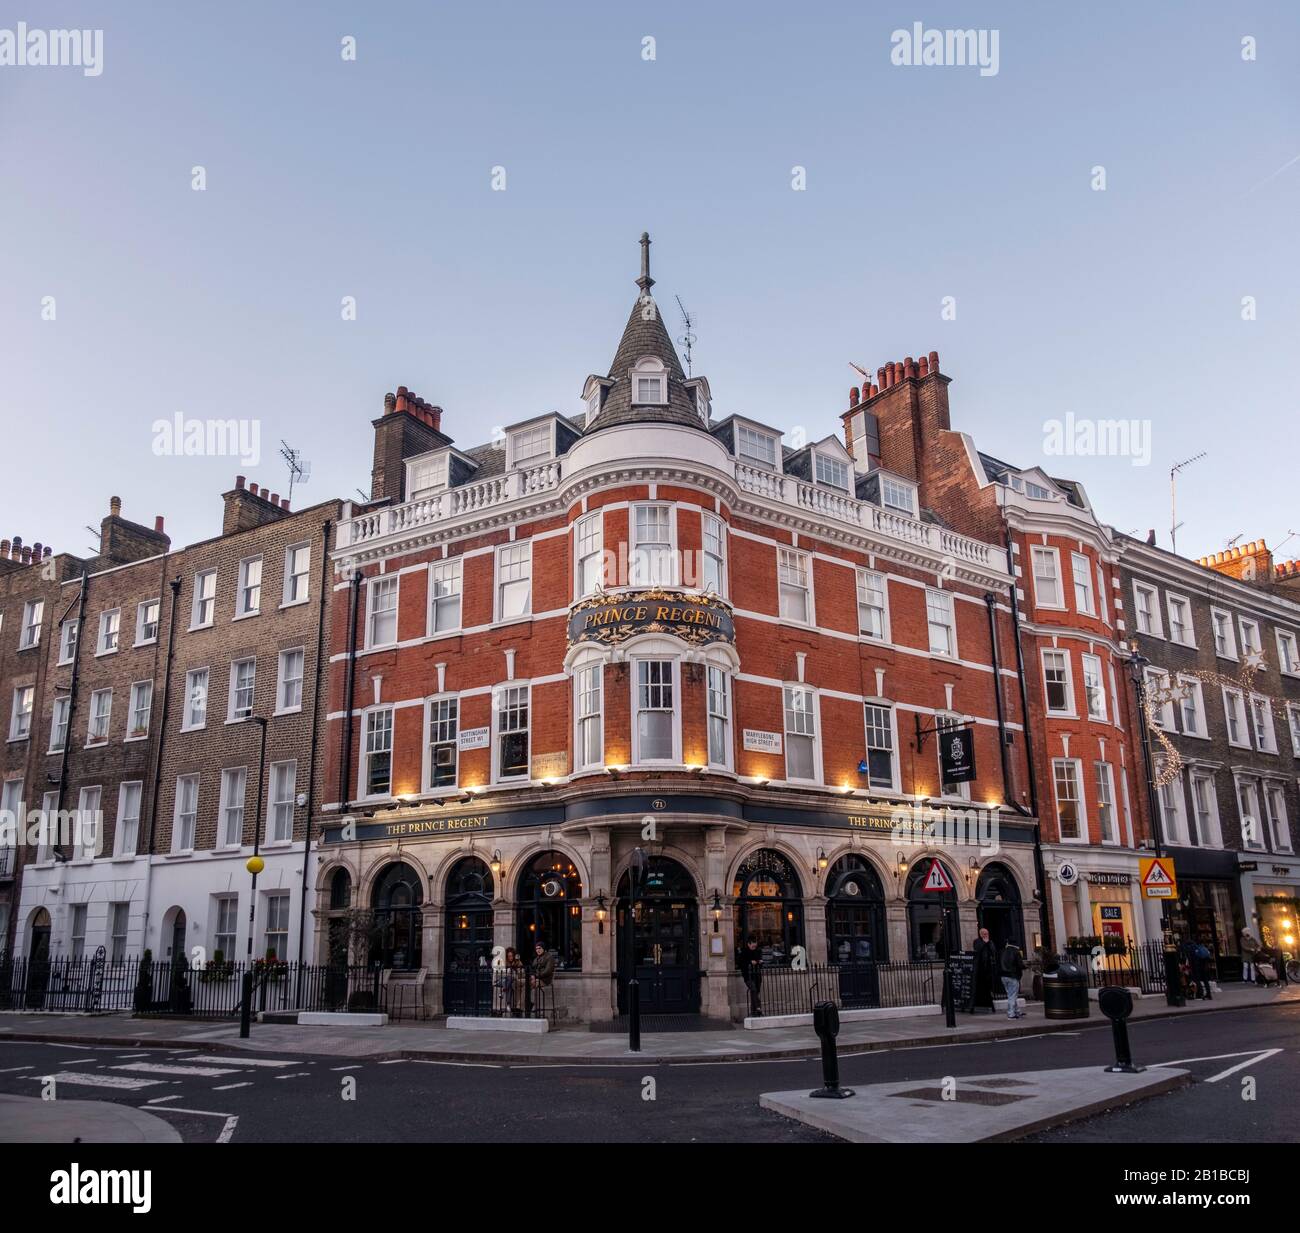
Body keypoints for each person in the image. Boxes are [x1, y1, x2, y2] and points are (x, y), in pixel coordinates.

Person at [972, 927, 998, 1013]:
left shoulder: (990, 942)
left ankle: (990, 1001)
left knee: (989, 984)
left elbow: (993, 951)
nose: (986, 935)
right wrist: (984, 943)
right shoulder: (977, 941)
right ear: (981, 934)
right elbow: (977, 950)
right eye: (984, 934)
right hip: (980, 967)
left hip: (989, 966)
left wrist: (989, 943)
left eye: (987, 934)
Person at [738, 936, 764, 1016]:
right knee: (753, 990)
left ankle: (754, 1013)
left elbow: (761, 964)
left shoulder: (758, 951)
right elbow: (740, 964)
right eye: (753, 946)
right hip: (748, 976)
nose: (754, 947)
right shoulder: (744, 952)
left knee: (755, 993)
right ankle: (758, 1008)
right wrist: (750, 962)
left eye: (755, 946)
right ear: (748, 944)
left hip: (757, 975)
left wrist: (760, 962)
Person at [1000, 941, 1026, 1019]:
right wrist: (1024, 967)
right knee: (1012, 995)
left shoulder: (1002, 951)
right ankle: (1011, 1014)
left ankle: (1017, 1011)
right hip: (1013, 976)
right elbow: (1020, 964)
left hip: (1003, 976)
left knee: (1011, 995)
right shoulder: (1016, 952)